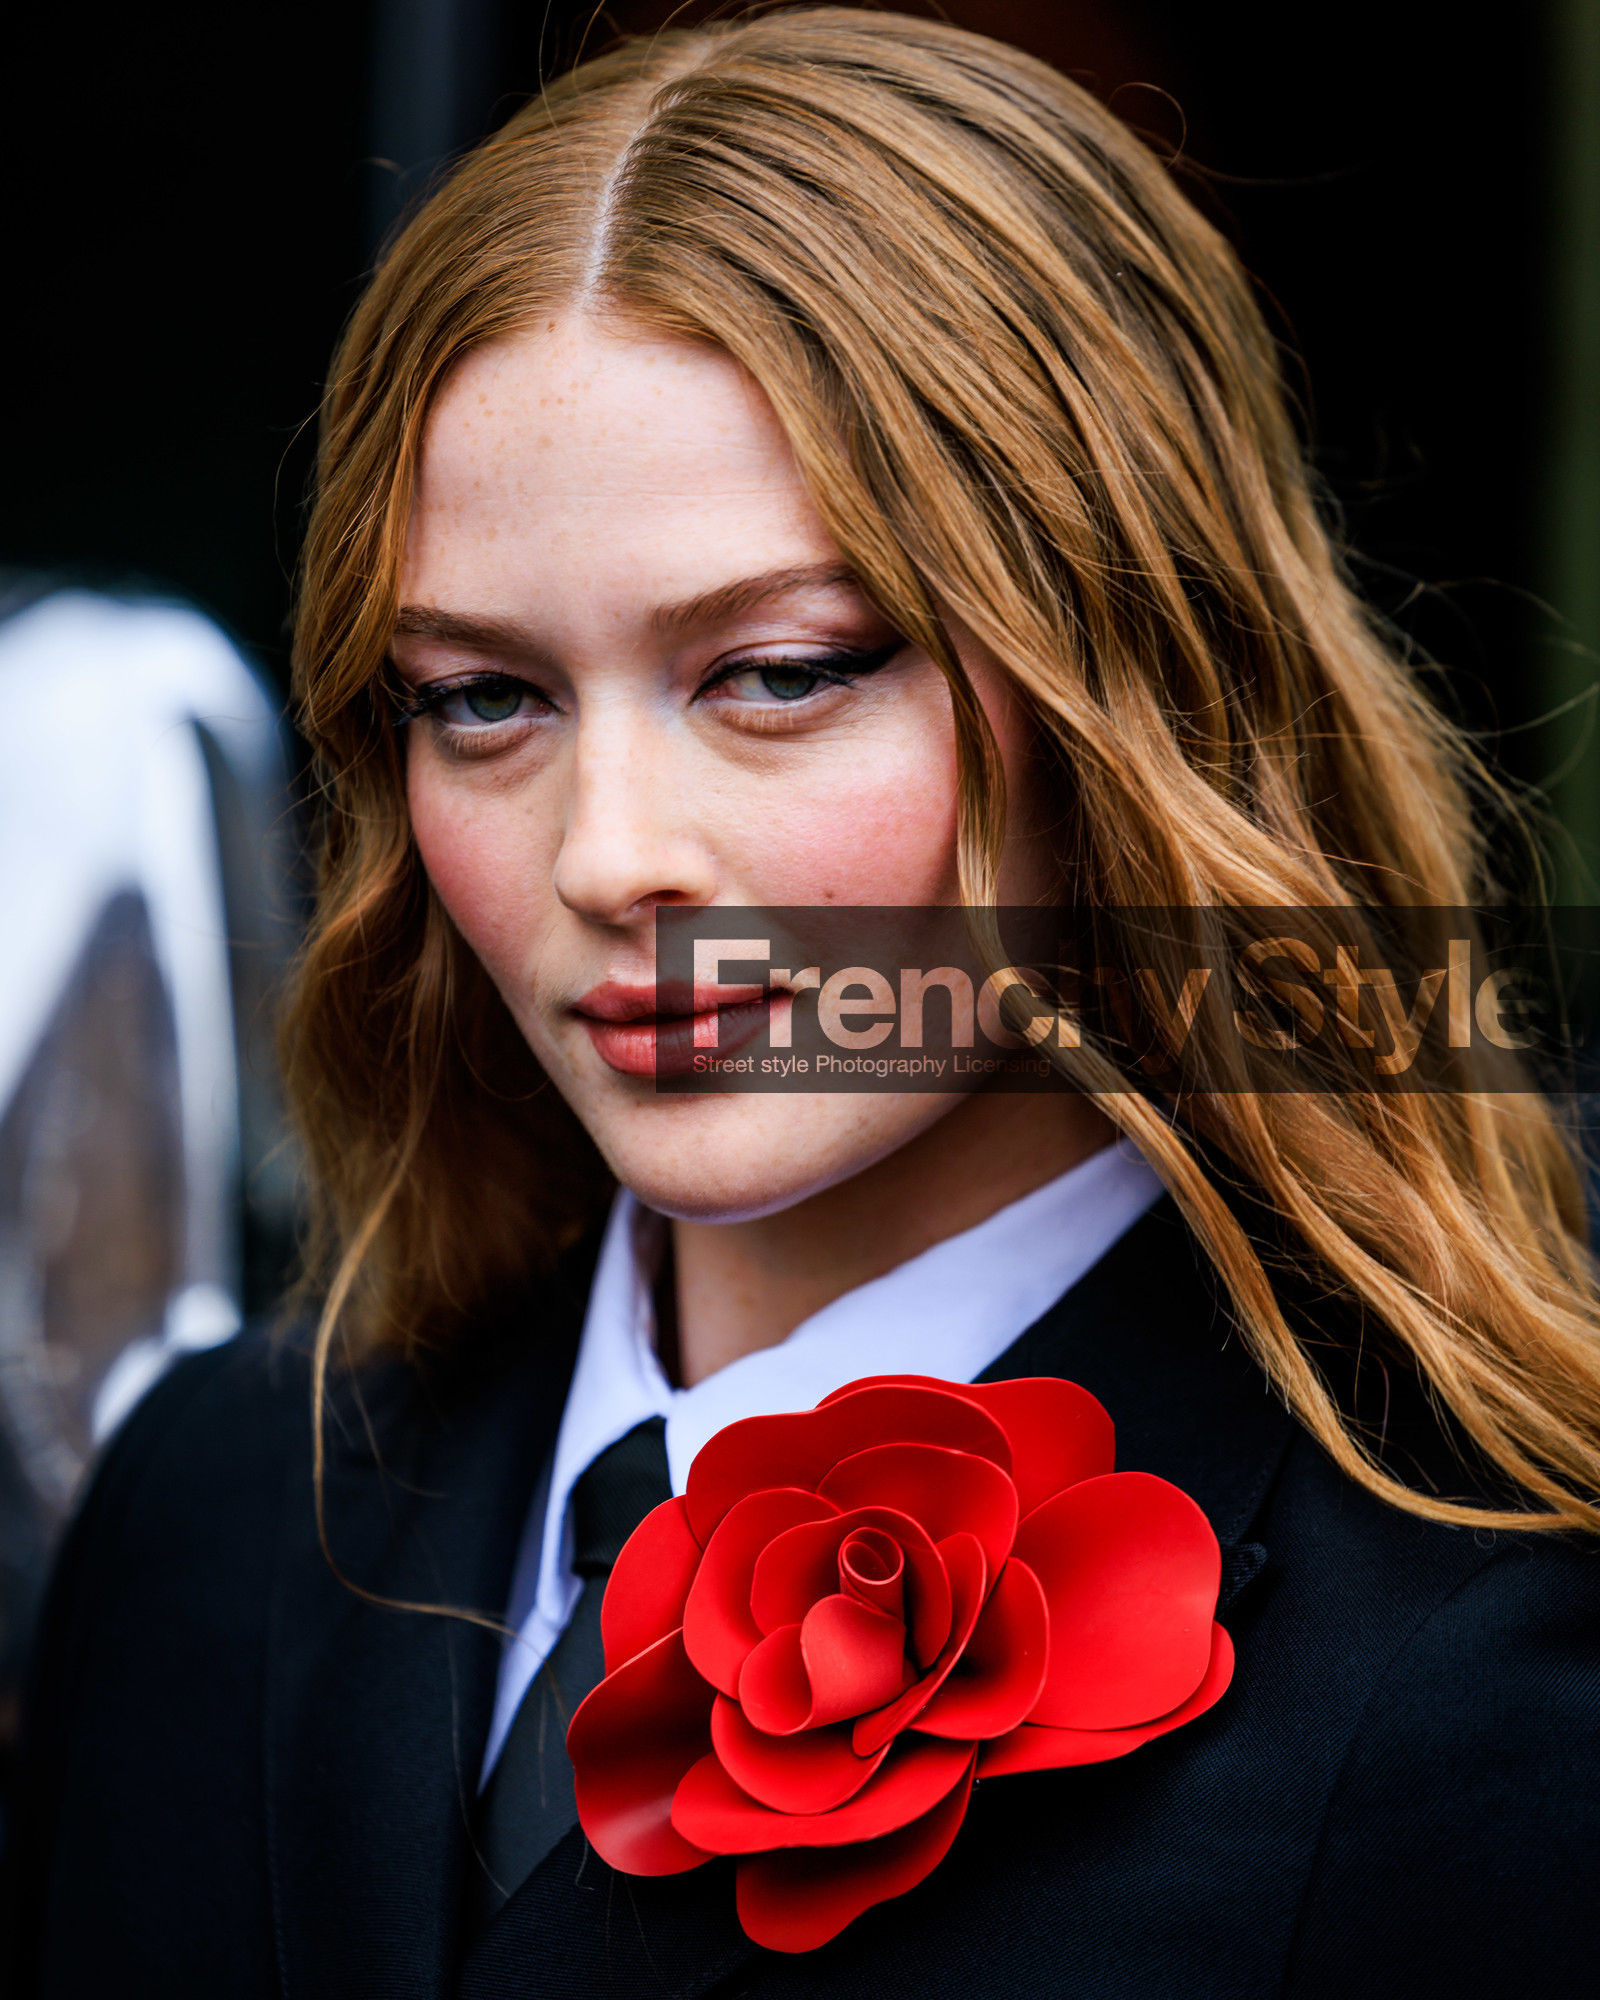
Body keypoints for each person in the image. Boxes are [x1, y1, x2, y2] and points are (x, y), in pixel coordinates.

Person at [11, 10, 1600, 1995]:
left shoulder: (1486, 1645)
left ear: (1135, 678)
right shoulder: (212, 1516)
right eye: (480, 699)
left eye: (775, 671)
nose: (609, 856)